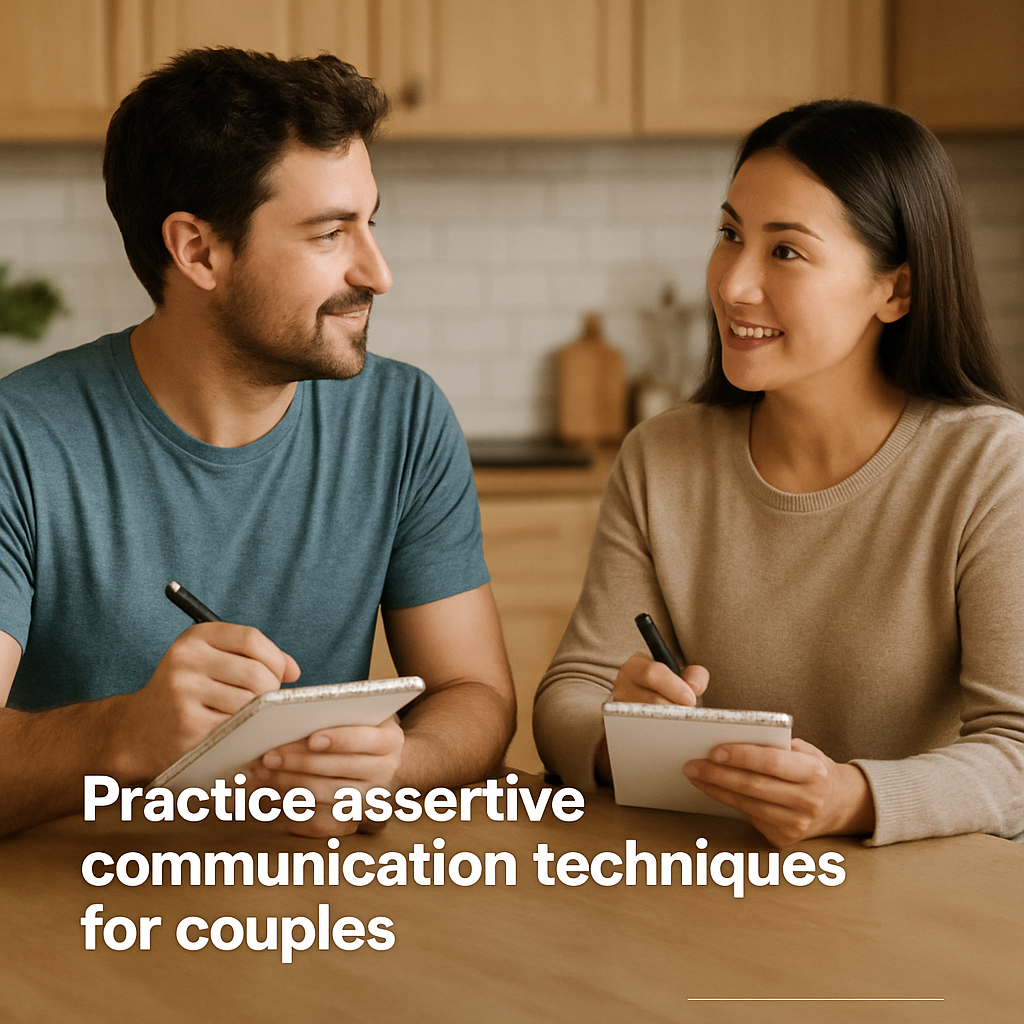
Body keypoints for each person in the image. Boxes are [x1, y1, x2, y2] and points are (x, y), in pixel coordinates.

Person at [0, 48, 515, 838]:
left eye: (368, 223)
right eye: (329, 234)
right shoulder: (20, 438)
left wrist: (393, 769)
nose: (378, 272)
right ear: (198, 251)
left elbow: (475, 697)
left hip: (305, 911)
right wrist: (123, 736)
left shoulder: (404, 419)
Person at [534, 99, 1024, 848]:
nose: (732, 284)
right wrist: (618, 732)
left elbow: (1015, 753)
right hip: (708, 889)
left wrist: (852, 797)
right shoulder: (662, 457)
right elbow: (569, 692)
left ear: (896, 290)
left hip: (921, 914)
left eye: (785, 251)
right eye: (730, 235)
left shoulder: (990, 465)